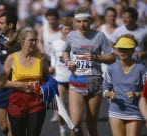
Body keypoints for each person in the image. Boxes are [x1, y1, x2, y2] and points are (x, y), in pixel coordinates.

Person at [62, 7, 115, 136]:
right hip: (77, 79)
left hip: (95, 81)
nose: (82, 24)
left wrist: (97, 57)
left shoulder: (99, 36)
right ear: (75, 22)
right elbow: (65, 51)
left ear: (90, 21)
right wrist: (68, 61)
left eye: (85, 21)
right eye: (79, 21)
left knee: (91, 125)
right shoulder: (71, 35)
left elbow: (112, 57)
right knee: (75, 124)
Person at [4, 27, 49, 136]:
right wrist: (19, 84)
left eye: (36, 40)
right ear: (22, 41)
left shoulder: (42, 58)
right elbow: (1, 82)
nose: (34, 43)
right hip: (17, 101)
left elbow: (47, 79)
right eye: (31, 40)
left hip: (36, 100)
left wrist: (46, 88)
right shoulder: (12, 58)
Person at [103, 34, 147, 136]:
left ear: (132, 50)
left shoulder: (141, 69)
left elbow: (146, 92)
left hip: (134, 111)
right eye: (120, 48)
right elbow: (105, 87)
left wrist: (136, 94)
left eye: (126, 49)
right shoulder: (111, 68)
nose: (122, 51)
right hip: (116, 111)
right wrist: (108, 94)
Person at [0, 10, 21, 136]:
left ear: (10, 25)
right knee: (3, 127)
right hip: (0, 88)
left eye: (1, 23)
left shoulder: (22, 41)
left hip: (16, 86)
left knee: (12, 126)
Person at [50, 17, 73, 136]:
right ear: (61, 29)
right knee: (61, 106)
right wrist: (52, 67)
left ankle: (74, 128)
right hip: (59, 78)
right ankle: (62, 129)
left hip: (73, 78)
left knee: (74, 108)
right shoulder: (55, 44)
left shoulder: (75, 43)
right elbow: (53, 57)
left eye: (69, 29)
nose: (67, 31)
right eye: (65, 29)